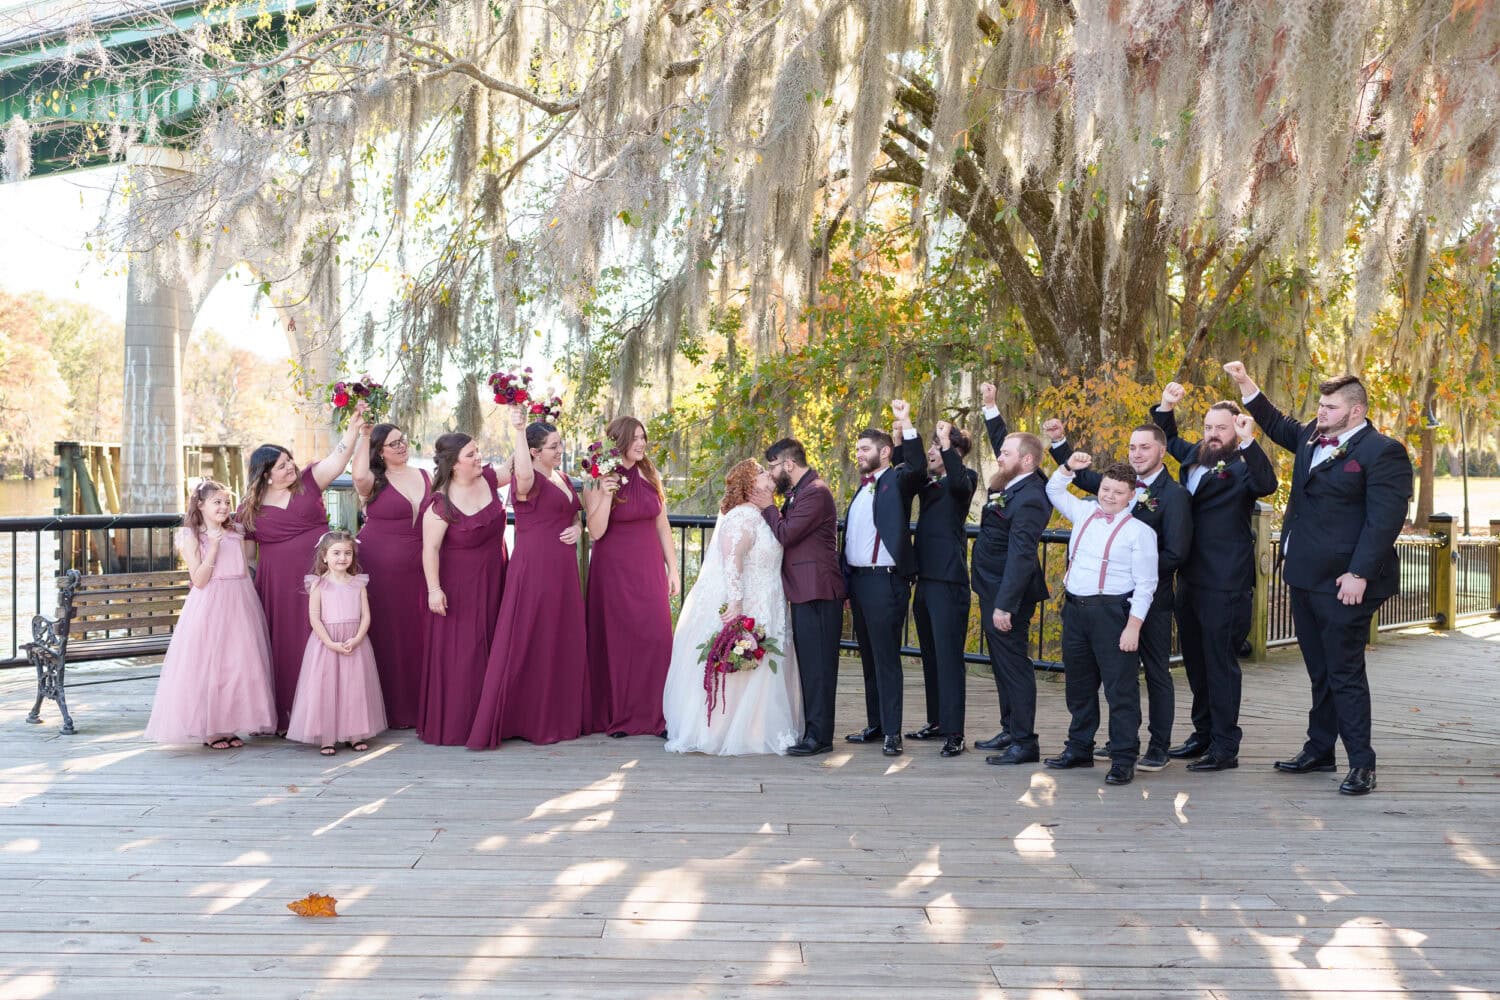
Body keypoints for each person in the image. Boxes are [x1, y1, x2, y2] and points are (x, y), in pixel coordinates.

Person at [1227, 361, 1413, 796]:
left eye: (1329, 407)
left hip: (1347, 582)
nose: (1321, 412)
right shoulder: (1313, 437)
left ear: (1356, 411)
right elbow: (1276, 423)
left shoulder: (1382, 451)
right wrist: (1245, 383)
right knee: (1320, 670)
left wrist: (1359, 573)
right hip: (1305, 577)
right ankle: (1320, 749)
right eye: (1320, 405)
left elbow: (1385, 521)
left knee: (1344, 670)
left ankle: (1362, 764)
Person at [1043, 420, 1191, 771]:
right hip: (1082, 607)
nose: (1137, 453)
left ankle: (1152, 747)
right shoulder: (1092, 507)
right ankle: (1084, 745)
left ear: (1161, 450)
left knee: (1141, 678)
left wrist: (1132, 609)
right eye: (1132, 447)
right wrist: (1064, 454)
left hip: (1137, 603)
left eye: (1145, 447)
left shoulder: (1172, 497)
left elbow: (1176, 553)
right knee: (1081, 682)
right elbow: (1066, 486)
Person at [1153, 385, 1278, 772]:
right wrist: (1167, 406)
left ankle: (1225, 746)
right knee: (1195, 661)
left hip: (1225, 581)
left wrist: (1250, 440)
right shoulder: (1194, 456)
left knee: (1220, 664)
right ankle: (1202, 733)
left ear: (1235, 429)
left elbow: (1268, 485)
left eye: (1221, 428)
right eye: (1208, 426)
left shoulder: (1242, 468)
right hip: (1189, 577)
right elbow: (1169, 439)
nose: (1212, 434)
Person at [662, 460, 804, 755]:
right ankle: (730, 730)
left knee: (767, 665)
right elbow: (732, 562)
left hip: (770, 597)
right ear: (751, 484)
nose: (770, 475)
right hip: (750, 599)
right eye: (763, 473)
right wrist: (737, 602)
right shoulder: (741, 517)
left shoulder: (764, 515)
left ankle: (758, 727)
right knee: (747, 661)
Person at [467, 413, 589, 749]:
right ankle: (528, 716)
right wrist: (519, 430)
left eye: (560, 443)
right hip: (535, 567)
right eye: (553, 446)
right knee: (532, 635)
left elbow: (574, 515)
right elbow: (520, 472)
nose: (560, 450)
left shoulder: (562, 477)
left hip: (563, 569)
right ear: (534, 452)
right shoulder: (527, 481)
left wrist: (579, 529)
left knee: (559, 635)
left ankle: (560, 712)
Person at [240, 413, 367, 732]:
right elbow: (247, 557)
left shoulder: (309, 482)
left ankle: (331, 714)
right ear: (266, 475)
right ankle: (286, 715)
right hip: (278, 587)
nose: (290, 467)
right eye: (282, 465)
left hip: (325, 580)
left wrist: (352, 430)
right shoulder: (248, 509)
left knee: (327, 637)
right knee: (286, 644)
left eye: (289, 461)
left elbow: (338, 460)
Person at [1045, 457, 1160, 786]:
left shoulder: (1140, 533)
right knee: (1078, 685)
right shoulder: (1084, 512)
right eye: (1105, 489)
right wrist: (1067, 466)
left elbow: (1146, 584)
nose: (1109, 496)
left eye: (1118, 492)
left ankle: (1123, 757)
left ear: (1131, 496)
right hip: (1076, 610)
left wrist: (1133, 626)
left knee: (1120, 689)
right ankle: (1080, 747)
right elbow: (1054, 488)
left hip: (1113, 614)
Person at [145, 481, 276, 748]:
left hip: (240, 598)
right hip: (211, 602)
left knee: (237, 664)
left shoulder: (237, 531)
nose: (224, 507)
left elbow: (246, 563)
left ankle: (230, 724)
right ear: (201, 505)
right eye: (217, 502)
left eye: (227, 502)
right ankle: (211, 729)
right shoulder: (192, 535)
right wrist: (214, 547)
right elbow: (200, 579)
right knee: (211, 664)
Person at [583, 415, 681, 738]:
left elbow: (661, 523)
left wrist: (673, 568)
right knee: (619, 640)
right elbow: (595, 531)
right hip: (613, 571)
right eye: (635, 438)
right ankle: (621, 715)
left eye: (643, 437)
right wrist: (608, 493)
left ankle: (658, 715)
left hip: (648, 567)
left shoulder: (651, 473)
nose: (641, 443)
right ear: (619, 441)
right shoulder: (596, 478)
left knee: (657, 636)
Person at [971, 382, 1051, 766]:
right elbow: (1008, 444)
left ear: (1028, 461)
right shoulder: (1015, 481)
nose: (998, 457)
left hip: (1009, 595)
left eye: (1005, 455)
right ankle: (1009, 728)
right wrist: (991, 407)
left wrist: (1004, 605)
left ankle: (1025, 741)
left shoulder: (1033, 496)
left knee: (1015, 666)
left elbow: (1021, 556)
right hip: (992, 589)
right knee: (1001, 665)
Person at [750, 438, 846, 756]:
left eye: (773, 466)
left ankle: (819, 737)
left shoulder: (815, 493)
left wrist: (766, 507)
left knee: (819, 667)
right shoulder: (800, 493)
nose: (771, 473)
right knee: (810, 665)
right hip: (804, 590)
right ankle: (813, 730)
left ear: (788, 464)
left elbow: (787, 533)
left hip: (817, 590)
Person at [416, 433, 510, 746]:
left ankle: (494, 718)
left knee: (494, 647)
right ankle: (460, 724)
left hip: (496, 577)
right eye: (471, 454)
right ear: (454, 465)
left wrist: (520, 424)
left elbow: (523, 467)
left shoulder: (491, 480)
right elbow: (429, 549)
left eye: (478, 450)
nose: (478, 457)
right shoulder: (440, 502)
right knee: (463, 653)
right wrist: (434, 590)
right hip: (458, 586)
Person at [840, 412, 922, 756]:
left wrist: (906, 425)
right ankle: (875, 724)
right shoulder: (862, 490)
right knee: (869, 658)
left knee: (887, 658)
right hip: (859, 583)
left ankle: (893, 732)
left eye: (864, 448)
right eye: (856, 448)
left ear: (885, 451)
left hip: (885, 581)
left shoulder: (897, 480)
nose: (858, 453)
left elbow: (916, 467)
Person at [903, 417, 978, 758]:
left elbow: (960, 484)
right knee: (930, 656)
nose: (932, 450)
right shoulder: (928, 483)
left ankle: (955, 732)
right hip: (926, 580)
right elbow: (912, 466)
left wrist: (947, 444)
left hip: (949, 582)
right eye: (933, 444)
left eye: (939, 445)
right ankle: (936, 721)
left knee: (949, 659)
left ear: (955, 451)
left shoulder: (965, 481)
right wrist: (906, 431)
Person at [352, 422, 431, 729]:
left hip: (420, 567)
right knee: (388, 634)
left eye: (403, 440)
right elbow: (358, 475)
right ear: (380, 452)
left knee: (418, 633)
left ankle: (421, 706)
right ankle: (388, 709)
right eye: (394, 443)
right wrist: (364, 435)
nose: (402, 446)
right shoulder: (373, 481)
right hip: (380, 567)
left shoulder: (426, 475)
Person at [285, 531, 386, 756]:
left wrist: (358, 637)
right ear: (324, 556)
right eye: (336, 553)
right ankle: (327, 736)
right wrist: (330, 642)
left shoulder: (358, 583)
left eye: (347, 553)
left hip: (354, 641)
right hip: (326, 643)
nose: (342, 558)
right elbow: (314, 618)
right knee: (326, 688)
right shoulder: (319, 584)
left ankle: (355, 734)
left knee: (354, 687)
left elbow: (366, 616)